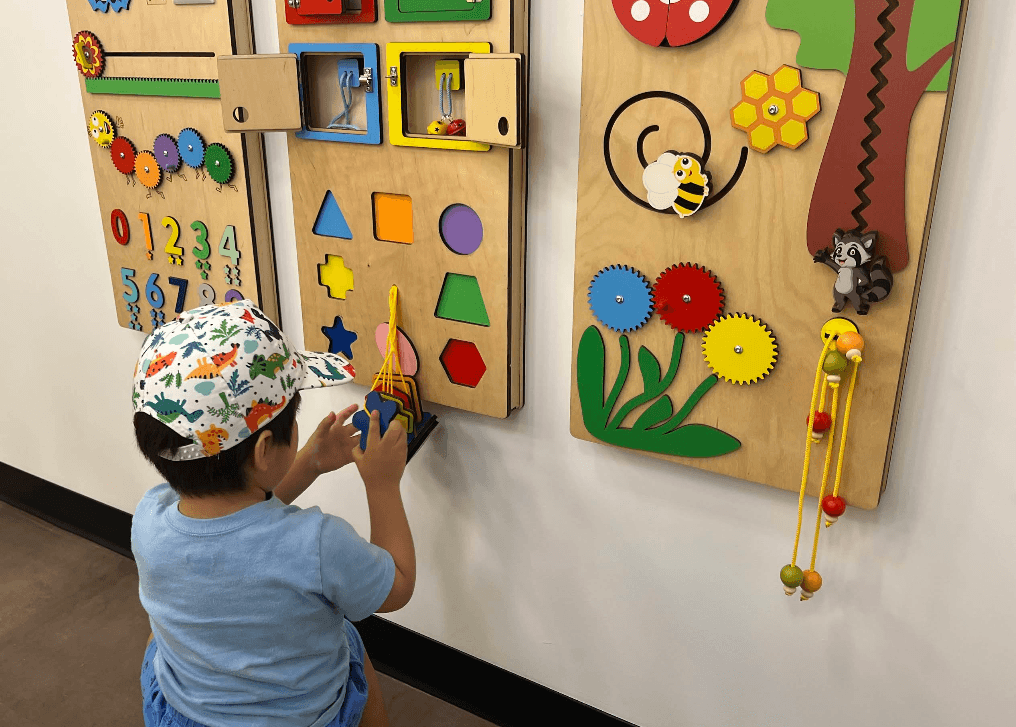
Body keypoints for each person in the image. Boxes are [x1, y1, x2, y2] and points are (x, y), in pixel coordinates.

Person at [130, 300, 414, 727]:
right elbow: (398, 587)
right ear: (264, 450)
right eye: (293, 416)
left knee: (162, 635)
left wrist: (309, 463)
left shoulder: (149, 516)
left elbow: (237, 528)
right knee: (347, 637)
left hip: (185, 710)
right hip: (301, 717)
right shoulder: (317, 545)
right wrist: (383, 484)